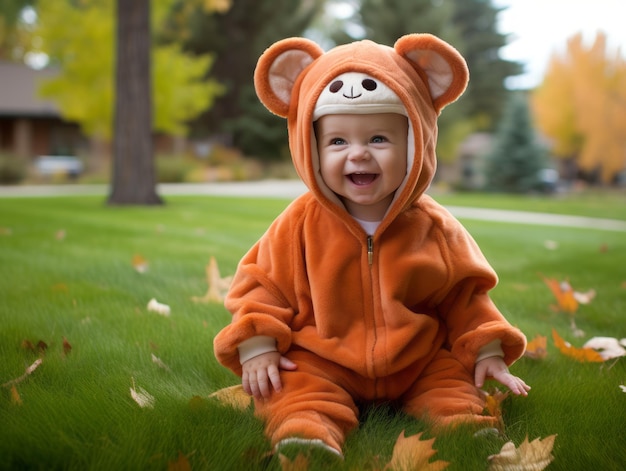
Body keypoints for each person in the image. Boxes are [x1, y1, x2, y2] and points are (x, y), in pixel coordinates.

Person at [213, 33, 530, 458]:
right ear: (310, 148)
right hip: (324, 357)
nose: (358, 154)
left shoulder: (435, 227)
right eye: (338, 141)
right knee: (291, 383)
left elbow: (466, 294)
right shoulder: (299, 224)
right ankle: (308, 432)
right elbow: (261, 284)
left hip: (417, 358)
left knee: (452, 381)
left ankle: (462, 426)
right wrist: (257, 347)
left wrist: (487, 350)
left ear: (416, 143)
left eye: (379, 139)